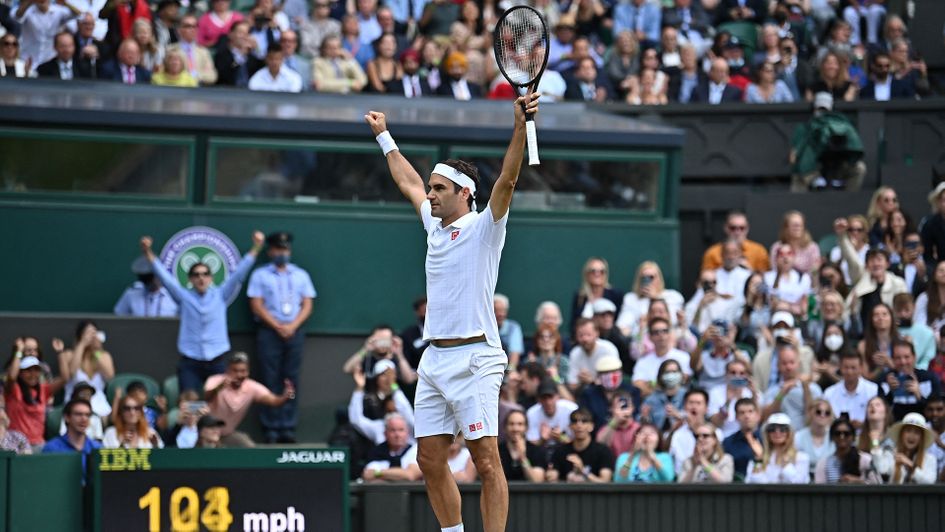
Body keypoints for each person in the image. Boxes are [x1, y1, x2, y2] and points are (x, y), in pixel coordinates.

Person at [364, 90, 539, 532]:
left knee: (485, 459)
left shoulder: (485, 228)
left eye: (439, 189)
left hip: (477, 358)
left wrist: (520, 126)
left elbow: (508, 180)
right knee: (428, 458)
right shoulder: (433, 225)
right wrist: (385, 137)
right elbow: (406, 180)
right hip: (434, 359)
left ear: (464, 193)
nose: (430, 195)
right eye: (431, 188)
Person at [139, 231, 263, 393]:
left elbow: (239, 273)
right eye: (196, 275)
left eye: (205, 274)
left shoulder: (221, 294)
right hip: (191, 362)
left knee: (218, 404)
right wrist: (147, 252)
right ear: (190, 279)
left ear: (211, 278)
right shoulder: (183, 296)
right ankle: (193, 418)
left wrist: (257, 246)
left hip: (217, 361)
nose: (201, 278)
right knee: (190, 405)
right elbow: (164, 276)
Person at [246, 231, 315, 443]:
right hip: (269, 331)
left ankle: (287, 426)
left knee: (290, 378)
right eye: (278, 249)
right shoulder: (260, 275)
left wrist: (292, 325)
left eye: (285, 249)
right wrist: (277, 326)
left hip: (294, 331)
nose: (282, 253)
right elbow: (256, 304)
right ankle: (271, 427)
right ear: (270, 251)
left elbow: (307, 303)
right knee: (270, 377)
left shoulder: (301, 274)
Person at [204, 352, 296, 447]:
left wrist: (285, 396)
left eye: (243, 371)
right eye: (235, 371)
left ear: (248, 371)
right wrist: (219, 387)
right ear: (227, 370)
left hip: (227, 434)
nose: (239, 375)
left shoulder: (252, 387)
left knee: (249, 448)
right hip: (206, 434)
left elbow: (274, 401)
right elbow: (205, 397)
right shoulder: (215, 380)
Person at [4, 347, 65, 447]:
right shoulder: (13, 390)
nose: (33, 374)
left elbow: (64, 378)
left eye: (36, 370)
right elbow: (11, 377)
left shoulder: (43, 390)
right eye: (28, 370)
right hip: (16, 445)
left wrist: (60, 352)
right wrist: (18, 352)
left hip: (38, 445)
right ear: (20, 373)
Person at [347, 359, 416, 445]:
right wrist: (359, 387)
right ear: (376, 378)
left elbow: (407, 412)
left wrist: (393, 385)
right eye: (383, 374)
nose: (388, 379)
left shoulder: (408, 426)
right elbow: (356, 420)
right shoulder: (379, 428)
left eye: (391, 375)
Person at [59, 320, 114, 418]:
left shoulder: (104, 356)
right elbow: (72, 372)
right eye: (88, 333)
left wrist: (96, 351)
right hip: (75, 402)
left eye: (94, 333)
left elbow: (110, 376)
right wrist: (82, 344)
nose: (92, 337)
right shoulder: (68, 355)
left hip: (99, 406)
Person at [761, 343, 823, 430]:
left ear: (798, 363)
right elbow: (766, 418)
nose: (788, 367)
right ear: (778, 366)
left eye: (792, 362)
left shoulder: (813, 388)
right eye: (784, 363)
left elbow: (818, 417)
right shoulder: (772, 391)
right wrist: (781, 394)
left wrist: (806, 388)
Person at [616, 261, 684, 337]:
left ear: (659, 278)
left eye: (651, 277)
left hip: (666, 336)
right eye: (644, 278)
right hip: (639, 338)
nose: (648, 281)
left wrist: (655, 298)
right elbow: (622, 325)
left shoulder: (673, 296)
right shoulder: (631, 298)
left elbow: (673, 321)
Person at [880, 339, 943, 421]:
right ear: (892, 360)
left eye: (907, 357)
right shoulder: (884, 380)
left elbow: (937, 415)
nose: (903, 362)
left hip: (924, 427)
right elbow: (880, 413)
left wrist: (919, 395)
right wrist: (890, 393)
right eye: (898, 358)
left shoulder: (929, 379)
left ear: (914, 357)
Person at [546, 408, 614, 483]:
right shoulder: (560, 452)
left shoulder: (603, 451)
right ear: (570, 426)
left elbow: (605, 483)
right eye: (575, 421)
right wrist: (551, 477)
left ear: (591, 426)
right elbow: (553, 480)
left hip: (594, 494)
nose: (579, 425)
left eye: (584, 421)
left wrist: (583, 471)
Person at [41, 399, 101, 483]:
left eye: (87, 415)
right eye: (78, 414)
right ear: (67, 417)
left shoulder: (97, 448)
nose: (84, 419)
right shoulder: (52, 448)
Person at [15, 0, 81, 73]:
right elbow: (17, 16)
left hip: (49, 62)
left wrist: (65, 3)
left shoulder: (58, 10)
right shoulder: (27, 10)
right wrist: (29, 2)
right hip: (28, 61)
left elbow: (78, 14)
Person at [632, 317, 692, 396]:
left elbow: (685, 379)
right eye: (656, 332)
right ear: (650, 337)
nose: (661, 335)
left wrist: (652, 385)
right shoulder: (643, 361)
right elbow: (637, 384)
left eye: (665, 331)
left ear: (670, 334)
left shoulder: (684, 356)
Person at [579, 357, 641, 432]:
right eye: (605, 373)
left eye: (614, 371)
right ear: (598, 375)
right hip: (597, 437)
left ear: (621, 372)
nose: (610, 376)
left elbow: (636, 416)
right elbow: (586, 419)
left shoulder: (633, 391)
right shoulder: (589, 394)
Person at [874, 412, 938, 484]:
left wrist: (910, 464)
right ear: (901, 434)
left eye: (916, 432)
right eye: (908, 431)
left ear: (921, 438)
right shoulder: (891, 453)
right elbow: (881, 470)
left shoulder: (930, 459)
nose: (912, 436)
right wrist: (875, 443)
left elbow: (929, 482)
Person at [746, 413, 810, 483]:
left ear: (789, 432)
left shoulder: (801, 457)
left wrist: (786, 465)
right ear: (767, 433)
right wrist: (758, 461)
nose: (777, 432)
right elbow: (750, 482)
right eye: (772, 429)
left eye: (783, 429)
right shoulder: (759, 457)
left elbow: (800, 483)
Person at [814, 416, 878, 483]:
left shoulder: (866, 460)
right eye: (837, 433)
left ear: (853, 437)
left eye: (846, 434)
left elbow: (878, 485)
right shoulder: (823, 463)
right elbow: (819, 489)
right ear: (832, 437)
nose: (842, 437)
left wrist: (858, 481)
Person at [823, 351, 878, 428]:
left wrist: (863, 425)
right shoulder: (829, 393)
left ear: (861, 368)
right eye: (846, 367)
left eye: (853, 368)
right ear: (840, 368)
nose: (849, 372)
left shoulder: (873, 390)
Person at [702, 211, 770, 273]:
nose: (737, 232)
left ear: (747, 229)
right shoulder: (712, 253)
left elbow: (765, 278)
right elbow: (705, 278)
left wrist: (749, 270)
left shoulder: (758, 251)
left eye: (742, 228)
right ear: (726, 228)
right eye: (733, 228)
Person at [361, 413, 421, 482]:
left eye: (401, 430)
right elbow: (368, 475)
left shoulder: (415, 450)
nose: (397, 435)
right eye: (393, 430)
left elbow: (410, 475)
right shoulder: (377, 452)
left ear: (407, 432)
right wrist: (400, 474)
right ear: (385, 433)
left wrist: (378, 473)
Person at [567, 319, 620, 396]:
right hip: (583, 394)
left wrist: (592, 381)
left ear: (597, 333)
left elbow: (614, 382)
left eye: (588, 335)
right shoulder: (575, 353)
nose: (585, 339)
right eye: (581, 335)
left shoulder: (608, 349)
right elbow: (572, 385)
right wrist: (581, 380)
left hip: (608, 395)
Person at [570, 257, 623, 333]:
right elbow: (573, 324)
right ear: (587, 274)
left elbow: (618, 323)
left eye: (601, 271)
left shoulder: (615, 294)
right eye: (593, 271)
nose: (597, 274)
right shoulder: (580, 296)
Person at [526, 379, 577, 456]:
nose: (548, 402)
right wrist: (542, 439)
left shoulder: (571, 409)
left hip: (567, 452)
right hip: (543, 453)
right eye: (544, 398)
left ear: (557, 397)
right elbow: (530, 446)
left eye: (550, 397)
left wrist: (562, 437)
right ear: (538, 399)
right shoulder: (532, 413)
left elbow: (580, 441)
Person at [114, 256, 180, 317]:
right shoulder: (131, 294)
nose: (149, 283)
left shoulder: (173, 296)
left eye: (151, 278)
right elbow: (118, 318)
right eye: (145, 279)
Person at [707, 359, 755, 438]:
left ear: (746, 376)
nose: (737, 376)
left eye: (741, 373)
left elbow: (757, 420)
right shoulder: (715, 392)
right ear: (726, 374)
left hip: (747, 436)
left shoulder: (751, 393)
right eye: (733, 373)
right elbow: (715, 423)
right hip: (723, 436)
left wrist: (754, 394)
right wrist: (728, 401)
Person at [640, 358, 688, 434]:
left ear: (681, 374)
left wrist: (678, 415)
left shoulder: (688, 396)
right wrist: (645, 418)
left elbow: (696, 419)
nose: (671, 375)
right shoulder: (651, 399)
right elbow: (645, 425)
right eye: (667, 372)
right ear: (661, 375)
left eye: (674, 372)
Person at [497, 410, 546, 482]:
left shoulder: (536, 450)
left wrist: (523, 457)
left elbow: (536, 480)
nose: (515, 428)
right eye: (511, 424)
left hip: (528, 492)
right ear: (505, 427)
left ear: (526, 428)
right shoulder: (497, 450)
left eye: (520, 424)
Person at [722, 398, 763, 481]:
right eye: (742, 413)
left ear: (757, 415)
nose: (746, 416)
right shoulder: (728, 442)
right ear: (736, 417)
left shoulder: (767, 439)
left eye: (750, 411)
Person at [794, 399, 836, 478]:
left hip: (830, 481)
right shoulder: (798, 437)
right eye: (818, 412)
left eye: (827, 413)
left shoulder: (835, 436)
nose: (822, 415)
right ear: (810, 413)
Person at [171, 15, 218, 86]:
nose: (192, 29)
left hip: (199, 91)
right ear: (179, 30)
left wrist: (195, 75)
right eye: (188, 26)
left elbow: (212, 76)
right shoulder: (170, 50)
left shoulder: (203, 52)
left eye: (194, 26)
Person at [770, 211, 821, 275]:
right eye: (794, 225)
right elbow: (774, 270)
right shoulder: (777, 247)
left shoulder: (812, 247)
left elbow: (814, 272)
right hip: (782, 282)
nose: (797, 227)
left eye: (800, 225)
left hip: (807, 283)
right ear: (786, 228)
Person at [894, 293, 935, 370]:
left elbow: (928, 360)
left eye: (907, 310)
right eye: (899, 310)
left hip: (921, 374)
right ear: (893, 310)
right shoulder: (889, 332)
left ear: (914, 308)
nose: (903, 314)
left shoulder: (927, 333)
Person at [494, 294, 524, 368]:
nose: (500, 314)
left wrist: (510, 372)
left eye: (503, 310)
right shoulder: (482, 328)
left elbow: (515, 354)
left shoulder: (513, 327)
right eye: (496, 310)